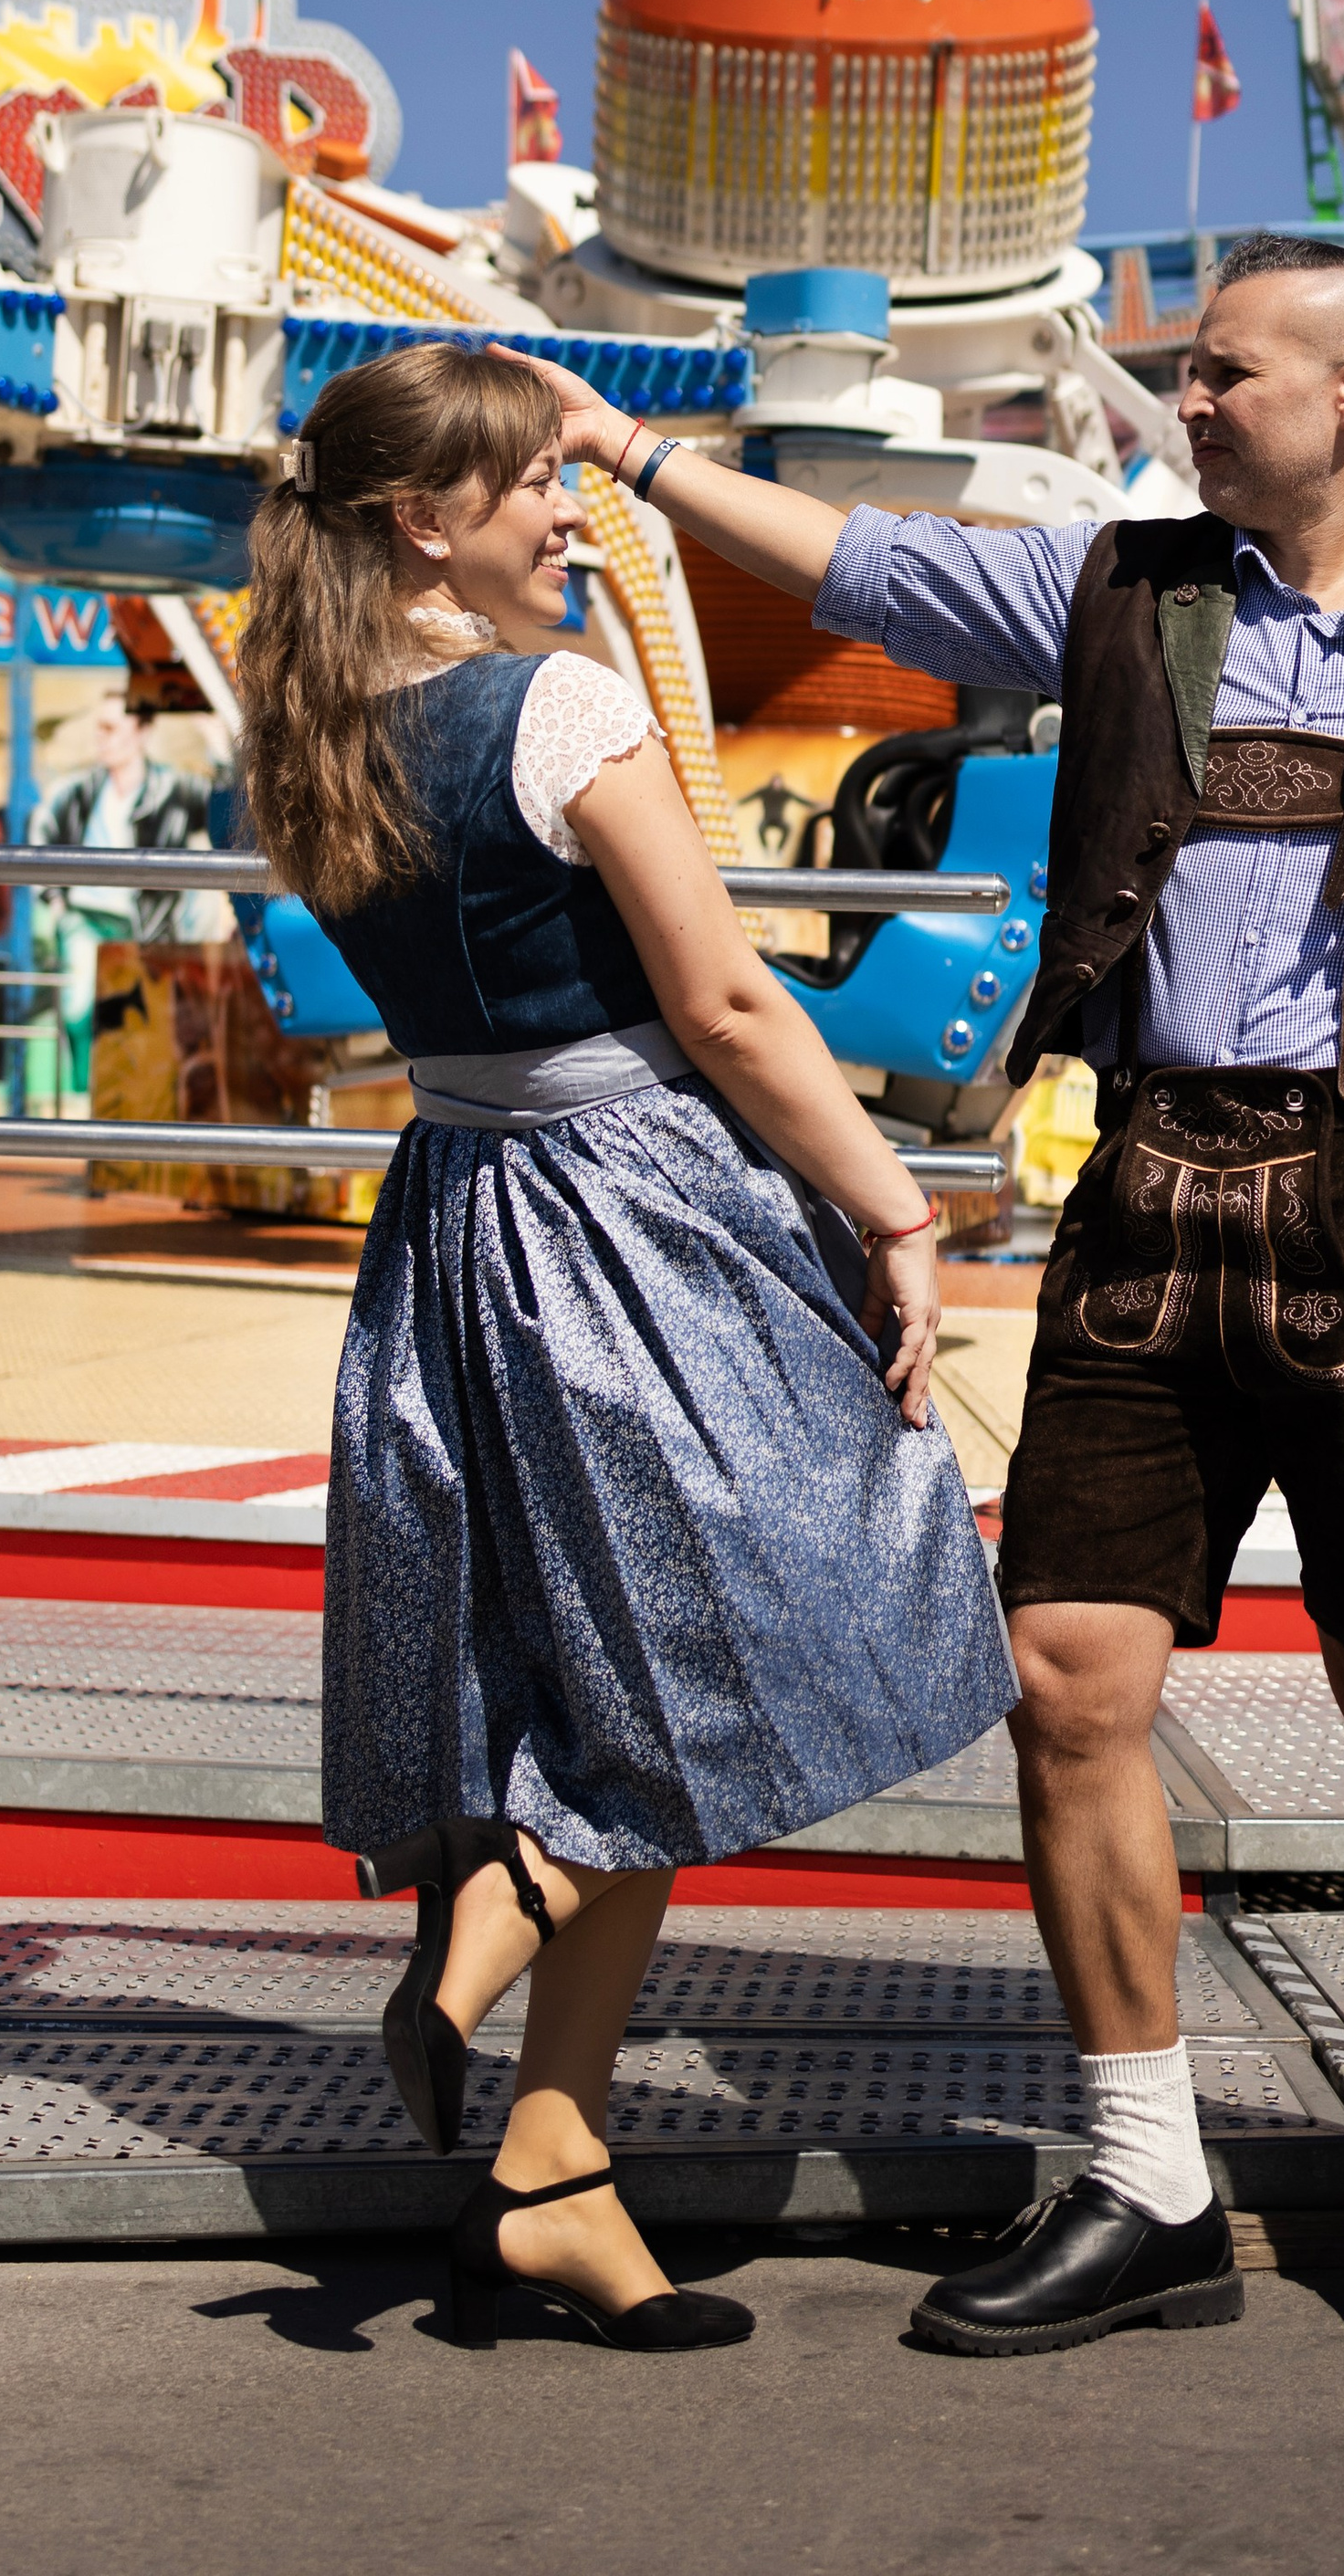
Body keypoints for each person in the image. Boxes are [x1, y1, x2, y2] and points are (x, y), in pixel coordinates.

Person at [517, 236, 1344, 2367]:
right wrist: (634, 454)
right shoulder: (1117, 584)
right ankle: (1143, 2167)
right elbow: (862, 564)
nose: (1186, 403)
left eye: (1222, 374)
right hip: (1148, 1178)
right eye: (1186, 375)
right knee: (1063, 1673)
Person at [235, 346, 1012, 2355]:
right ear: (426, 520)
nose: (573, 513)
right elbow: (735, 1005)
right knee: (820, 1586)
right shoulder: (555, 706)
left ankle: (554, 2164)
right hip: (634, 1211)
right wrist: (898, 1208)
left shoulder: (317, 722)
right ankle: (518, 1896)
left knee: (607, 1660)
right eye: (534, 485)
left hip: (458, 1218)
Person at [29, 692, 217, 1102]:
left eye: (112, 728)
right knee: (79, 1007)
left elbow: (224, 804)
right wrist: (55, 900)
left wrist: (218, 742)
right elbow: (40, 835)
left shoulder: (172, 787)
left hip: (144, 926)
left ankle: (132, 1106)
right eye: (99, 727)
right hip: (86, 914)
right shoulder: (79, 790)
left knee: (146, 1020)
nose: (102, 739)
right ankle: (85, 1094)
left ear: (142, 733)